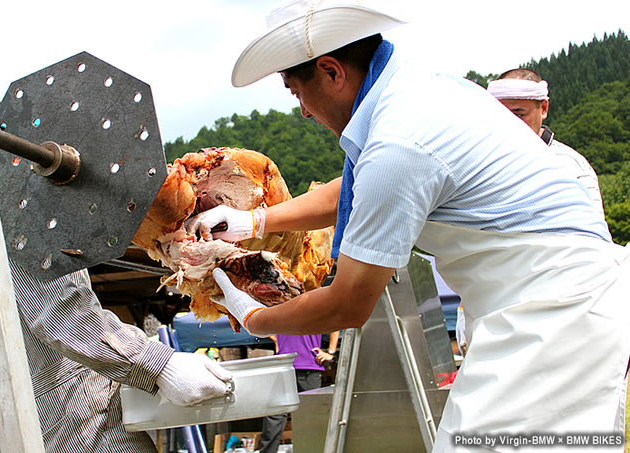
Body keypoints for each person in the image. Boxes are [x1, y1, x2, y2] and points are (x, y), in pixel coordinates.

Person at [187, 1, 630, 451]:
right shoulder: (415, 92)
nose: (302, 110)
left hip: (558, 312)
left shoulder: (399, 138)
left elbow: (350, 303)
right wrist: (256, 219)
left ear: (332, 72)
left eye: (295, 92)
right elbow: (354, 188)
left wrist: (257, 317)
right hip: (544, 301)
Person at [0, 211, 232, 453]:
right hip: (79, 426)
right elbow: (61, 313)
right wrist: (159, 364)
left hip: (30, 422)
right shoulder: (11, 206)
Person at [487, 68, 605, 214]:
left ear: (543, 108)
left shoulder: (572, 166)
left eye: (519, 114)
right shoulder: (481, 160)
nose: (509, 123)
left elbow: (590, 228)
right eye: (501, 114)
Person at [258, 331, 339, 453]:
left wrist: (330, 352)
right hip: (285, 365)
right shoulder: (277, 311)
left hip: (309, 367)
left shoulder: (316, 311)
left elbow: (336, 323)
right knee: (275, 416)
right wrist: (276, 340)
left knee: (310, 418)